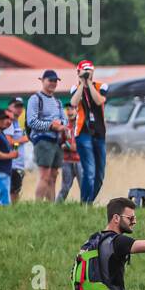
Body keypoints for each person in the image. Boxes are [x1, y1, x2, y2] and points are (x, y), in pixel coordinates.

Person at [70, 59, 109, 204]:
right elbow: (73, 103)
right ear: (78, 72)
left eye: (89, 71)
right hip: (83, 133)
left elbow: (99, 101)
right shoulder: (75, 88)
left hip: (99, 133)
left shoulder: (101, 86)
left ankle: (89, 202)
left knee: (99, 174)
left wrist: (90, 84)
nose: (87, 73)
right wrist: (82, 83)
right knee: (89, 171)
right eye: (84, 70)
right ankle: (85, 204)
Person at [26, 69, 68, 201]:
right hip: (43, 140)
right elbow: (31, 121)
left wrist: (60, 124)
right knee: (44, 175)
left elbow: (65, 120)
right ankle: (38, 205)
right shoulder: (35, 99)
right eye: (50, 80)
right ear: (42, 81)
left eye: (55, 81)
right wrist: (51, 125)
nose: (53, 83)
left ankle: (51, 205)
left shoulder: (58, 102)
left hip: (57, 141)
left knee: (54, 176)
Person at [5, 97, 30, 202]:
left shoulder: (16, 123)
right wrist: (24, 139)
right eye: (16, 106)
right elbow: (9, 142)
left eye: (21, 107)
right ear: (9, 107)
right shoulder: (8, 123)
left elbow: (14, 144)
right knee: (13, 193)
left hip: (18, 164)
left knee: (16, 191)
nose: (19, 109)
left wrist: (17, 144)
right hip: (12, 165)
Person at [57, 103, 81, 203]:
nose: (70, 111)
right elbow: (60, 142)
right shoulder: (64, 126)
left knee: (84, 187)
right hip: (67, 161)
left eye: (73, 109)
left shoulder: (82, 125)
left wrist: (69, 147)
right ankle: (55, 208)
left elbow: (80, 146)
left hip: (80, 161)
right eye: (68, 109)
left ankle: (87, 208)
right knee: (65, 188)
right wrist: (65, 145)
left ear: (77, 110)